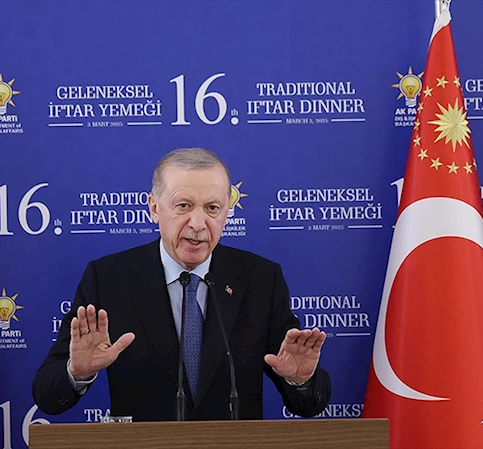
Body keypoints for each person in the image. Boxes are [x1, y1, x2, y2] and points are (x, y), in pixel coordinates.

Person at [32, 148, 331, 421]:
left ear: (227, 211)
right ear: (154, 208)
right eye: (184, 205)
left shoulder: (261, 279)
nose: (198, 224)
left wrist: (300, 380)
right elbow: (47, 396)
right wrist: (77, 373)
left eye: (212, 208)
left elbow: (307, 404)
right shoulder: (108, 278)